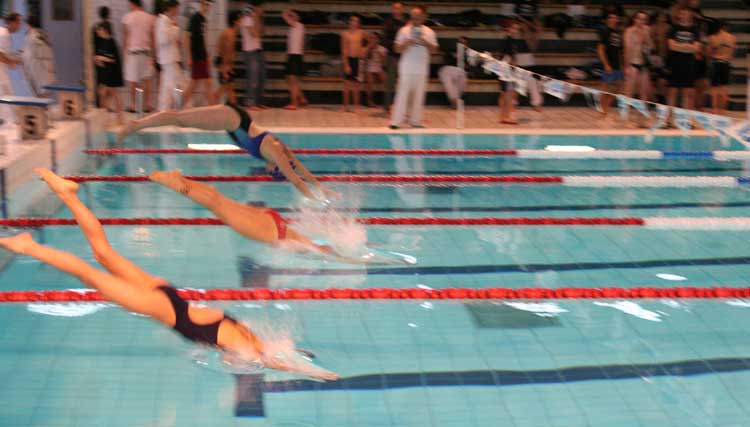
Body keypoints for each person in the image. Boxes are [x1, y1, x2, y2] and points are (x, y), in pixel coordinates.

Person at [0, 168, 339, 382]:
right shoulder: (245, 347)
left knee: (103, 254)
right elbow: (267, 363)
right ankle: (29, 246)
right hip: (163, 308)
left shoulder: (247, 335)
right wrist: (311, 372)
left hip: (169, 295)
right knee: (89, 273)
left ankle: (68, 194)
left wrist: (302, 364)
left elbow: (268, 358)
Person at [117, 104, 339, 201]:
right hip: (234, 120)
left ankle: (139, 124)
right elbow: (297, 180)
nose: (268, 170)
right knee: (180, 118)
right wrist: (315, 201)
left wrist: (322, 189)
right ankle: (137, 124)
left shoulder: (281, 153)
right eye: (273, 172)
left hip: (235, 123)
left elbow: (301, 170)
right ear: (277, 169)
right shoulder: (277, 153)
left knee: (181, 118)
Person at [389, 5, 438, 129]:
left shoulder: (429, 32)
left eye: (418, 16)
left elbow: (435, 50)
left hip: (421, 69)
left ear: (424, 17)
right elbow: (396, 49)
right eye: (413, 16)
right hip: (406, 68)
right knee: (402, 95)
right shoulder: (403, 30)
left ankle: (415, 121)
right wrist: (407, 42)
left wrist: (424, 41)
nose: (415, 18)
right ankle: (396, 121)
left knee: (418, 96)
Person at [122, 0, 156, 113]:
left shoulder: (127, 17)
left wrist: (124, 55)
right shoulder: (150, 18)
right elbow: (152, 39)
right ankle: (146, 105)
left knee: (133, 81)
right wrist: (153, 56)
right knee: (147, 80)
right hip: (146, 53)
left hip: (133, 53)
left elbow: (126, 38)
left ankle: (134, 106)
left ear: (132, 4)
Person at [666, 6, 700, 112]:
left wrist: (679, 46)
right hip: (675, 63)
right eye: (681, 13)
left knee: (687, 92)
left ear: (690, 15)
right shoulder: (674, 28)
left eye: (685, 13)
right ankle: (669, 116)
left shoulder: (694, 30)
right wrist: (687, 46)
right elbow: (671, 46)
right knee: (672, 91)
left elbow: (696, 48)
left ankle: (685, 117)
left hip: (689, 64)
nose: (683, 16)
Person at [183, 0, 215, 108]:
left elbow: (203, 38)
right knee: (201, 83)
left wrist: (207, 55)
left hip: (202, 56)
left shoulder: (203, 19)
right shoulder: (195, 18)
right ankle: (213, 108)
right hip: (197, 56)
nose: (207, 7)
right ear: (201, 4)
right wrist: (188, 56)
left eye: (208, 5)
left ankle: (179, 105)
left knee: (199, 83)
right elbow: (186, 37)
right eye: (205, 4)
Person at [623, 11, 653, 125]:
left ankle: (641, 119)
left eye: (644, 19)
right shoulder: (629, 31)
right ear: (634, 19)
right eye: (640, 18)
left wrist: (646, 37)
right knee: (629, 93)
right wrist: (627, 66)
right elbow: (627, 49)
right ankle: (626, 119)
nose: (642, 21)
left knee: (644, 93)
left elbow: (651, 46)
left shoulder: (647, 30)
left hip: (643, 63)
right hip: (633, 63)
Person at [93, 22, 124, 124]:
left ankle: (118, 117)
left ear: (105, 30)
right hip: (105, 72)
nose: (98, 32)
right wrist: (98, 60)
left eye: (99, 29)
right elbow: (102, 56)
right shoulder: (103, 42)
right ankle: (106, 117)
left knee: (113, 94)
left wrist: (100, 58)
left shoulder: (111, 42)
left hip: (111, 73)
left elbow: (113, 59)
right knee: (102, 94)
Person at [155, 0, 183, 111]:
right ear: (171, 8)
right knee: (176, 85)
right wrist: (175, 29)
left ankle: (163, 110)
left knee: (167, 87)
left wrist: (174, 28)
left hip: (169, 58)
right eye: (177, 8)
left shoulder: (166, 21)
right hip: (169, 59)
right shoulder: (163, 21)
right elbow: (164, 39)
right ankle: (179, 110)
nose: (178, 11)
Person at [240, 1, 266, 110]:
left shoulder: (257, 19)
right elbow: (254, 33)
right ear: (256, 8)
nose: (263, 10)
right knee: (252, 78)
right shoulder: (247, 19)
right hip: (249, 52)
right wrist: (255, 18)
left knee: (262, 77)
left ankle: (258, 102)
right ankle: (250, 103)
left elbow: (262, 33)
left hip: (258, 50)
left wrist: (258, 19)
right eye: (261, 8)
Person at [597, 13, 623, 121]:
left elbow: (619, 51)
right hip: (608, 64)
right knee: (605, 88)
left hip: (617, 65)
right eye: (611, 17)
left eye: (615, 17)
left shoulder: (618, 33)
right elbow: (600, 49)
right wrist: (606, 64)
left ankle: (605, 108)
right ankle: (603, 111)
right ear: (607, 20)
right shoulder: (605, 32)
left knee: (618, 88)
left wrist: (621, 65)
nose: (614, 19)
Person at [22, 15, 55, 98]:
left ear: (28, 24)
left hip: (37, 70)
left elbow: (28, 57)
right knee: (44, 95)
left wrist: (21, 58)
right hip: (47, 70)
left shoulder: (31, 36)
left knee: (40, 96)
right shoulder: (43, 34)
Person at [381, 2, 405, 113]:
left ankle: (403, 107)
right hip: (392, 55)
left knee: (404, 82)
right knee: (390, 83)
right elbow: (384, 40)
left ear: (402, 9)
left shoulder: (407, 22)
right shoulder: (388, 22)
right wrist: (395, 46)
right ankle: (387, 106)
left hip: (405, 56)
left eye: (399, 8)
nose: (396, 10)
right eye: (395, 8)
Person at [341, 15, 368, 113]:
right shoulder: (345, 34)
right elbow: (344, 50)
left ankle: (356, 107)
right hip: (349, 59)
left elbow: (371, 40)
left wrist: (365, 49)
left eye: (356, 21)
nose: (354, 23)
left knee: (357, 85)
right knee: (346, 85)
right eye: (352, 21)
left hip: (358, 60)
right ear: (349, 22)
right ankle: (345, 106)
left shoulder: (362, 33)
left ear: (358, 23)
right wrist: (346, 64)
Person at [282, 8, 308, 110]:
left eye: (294, 15)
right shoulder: (293, 27)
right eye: (291, 15)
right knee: (288, 79)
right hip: (292, 55)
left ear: (298, 17)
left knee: (293, 81)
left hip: (295, 55)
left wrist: (289, 10)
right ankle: (302, 98)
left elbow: (284, 15)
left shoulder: (298, 25)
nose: (291, 17)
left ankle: (294, 103)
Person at [214, 11, 241, 104]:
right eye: (239, 20)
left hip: (225, 65)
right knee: (222, 91)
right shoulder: (230, 34)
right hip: (224, 66)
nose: (241, 22)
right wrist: (225, 69)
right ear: (235, 21)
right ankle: (211, 107)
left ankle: (236, 109)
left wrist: (229, 67)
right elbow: (227, 52)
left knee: (230, 89)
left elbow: (219, 49)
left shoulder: (228, 32)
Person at [708, 20, 736, 114]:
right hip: (726, 63)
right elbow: (731, 54)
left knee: (714, 88)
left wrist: (716, 55)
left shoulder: (713, 37)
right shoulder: (732, 38)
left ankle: (715, 108)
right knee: (724, 87)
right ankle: (723, 110)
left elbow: (709, 53)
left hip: (716, 63)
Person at [0, 13, 22, 123]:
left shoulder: (5, 34)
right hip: (1, 73)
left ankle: (19, 119)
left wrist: (13, 59)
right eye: (18, 22)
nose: (20, 25)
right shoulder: (3, 34)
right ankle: (19, 120)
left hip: (2, 72)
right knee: (8, 94)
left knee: (8, 94)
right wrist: (10, 62)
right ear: (11, 23)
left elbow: (4, 53)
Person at [365, 32, 388, 107]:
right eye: (371, 38)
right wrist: (369, 49)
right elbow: (364, 58)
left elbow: (384, 62)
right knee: (370, 81)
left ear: (378, 40)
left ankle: (387, 100)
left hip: (379, 68)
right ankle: (370, 101)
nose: (373, 40)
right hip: (369, 68)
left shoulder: (382, 49)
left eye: (375, 38)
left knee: (386, 79)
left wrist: (379, 53)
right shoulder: (367, 47)